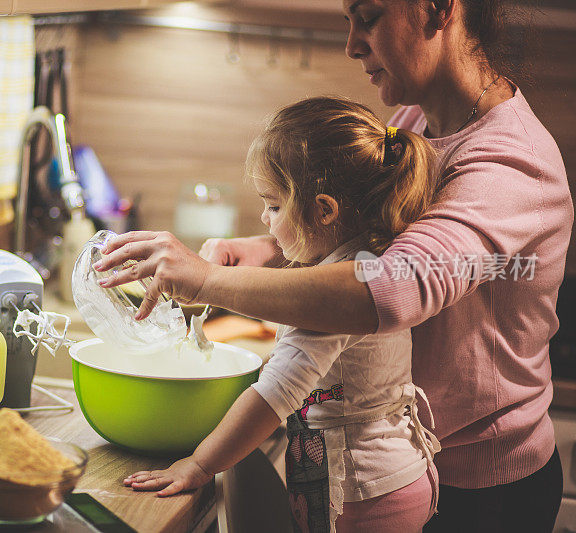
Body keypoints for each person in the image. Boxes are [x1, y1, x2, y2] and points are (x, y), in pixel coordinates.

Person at [95, 1, 573, 531]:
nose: (351, 44)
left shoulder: (511, 164)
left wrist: (208, 281)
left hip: (483, 490)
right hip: (409, 462)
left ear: (437, 10)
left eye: (367, 16)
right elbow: (370, 230)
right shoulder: (418, 122)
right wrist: (269, 249)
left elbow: (392, 288)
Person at [120, 96, 442, 532]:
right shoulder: (364, 250)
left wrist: (198, 465)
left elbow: (273, 397)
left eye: (273, 206)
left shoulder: (327, 302)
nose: (264, 219)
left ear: (324, 210)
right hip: (389, 479)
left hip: (366, 493)